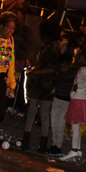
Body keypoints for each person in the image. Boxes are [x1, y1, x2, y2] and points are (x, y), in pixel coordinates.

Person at [23, 20, 62, 153]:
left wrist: (36, 71)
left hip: (41, 82)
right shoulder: (54, 47)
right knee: (44, 113)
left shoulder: (49, 47)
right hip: (47, 84)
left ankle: (26, 140)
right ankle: (43, 144)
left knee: (33, 110)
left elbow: (52, 67)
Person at [60, 49, 86, 161]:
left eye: (80, 57)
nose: (77, 58)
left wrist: (78, 86)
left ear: (85, 60)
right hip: (79, 98)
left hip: (79, 99)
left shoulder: (84, 70)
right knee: (76, 126)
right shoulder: (84, 69)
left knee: (75, 126)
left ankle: (74, 150)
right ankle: (77, 149)